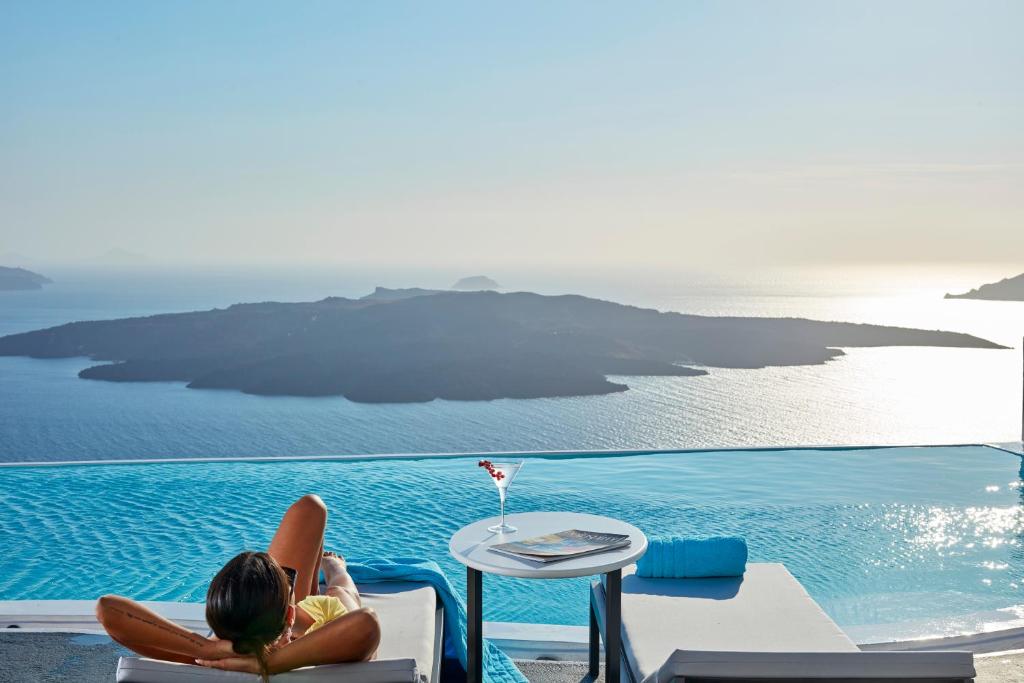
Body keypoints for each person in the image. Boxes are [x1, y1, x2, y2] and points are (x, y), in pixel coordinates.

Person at [95, 494, 381, 681]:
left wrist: (207, 648)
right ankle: (334, 567)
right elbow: (365, 623)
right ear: (290, 614)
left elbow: (108, 609)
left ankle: (291, 586)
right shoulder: (334, 644)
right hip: (312, 628)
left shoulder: (208, 661)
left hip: (276, 624)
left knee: (310, 509)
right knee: (339, 587)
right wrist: (268, 663)